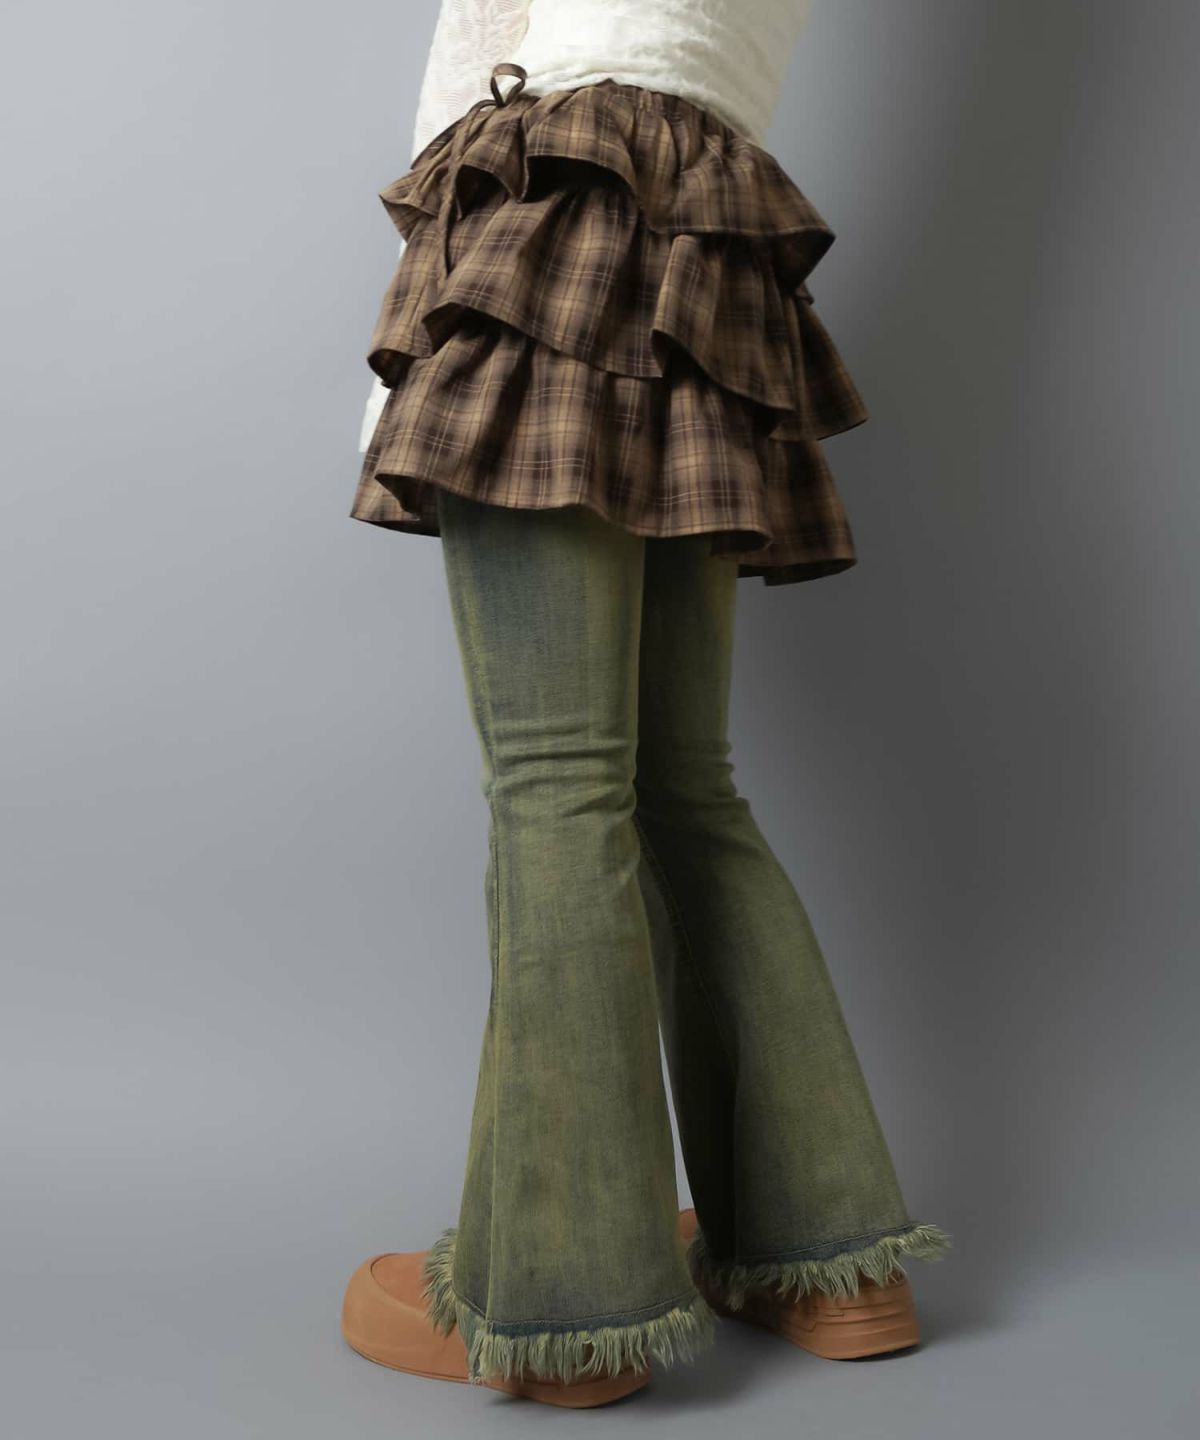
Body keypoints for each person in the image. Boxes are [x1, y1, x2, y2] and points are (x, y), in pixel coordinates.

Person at [339, 0, 950, 1408]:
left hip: (550, 201)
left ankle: (568, 1300)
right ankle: (827, 1257)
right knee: (684, 786)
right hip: (704, 226)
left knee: (557, 784)